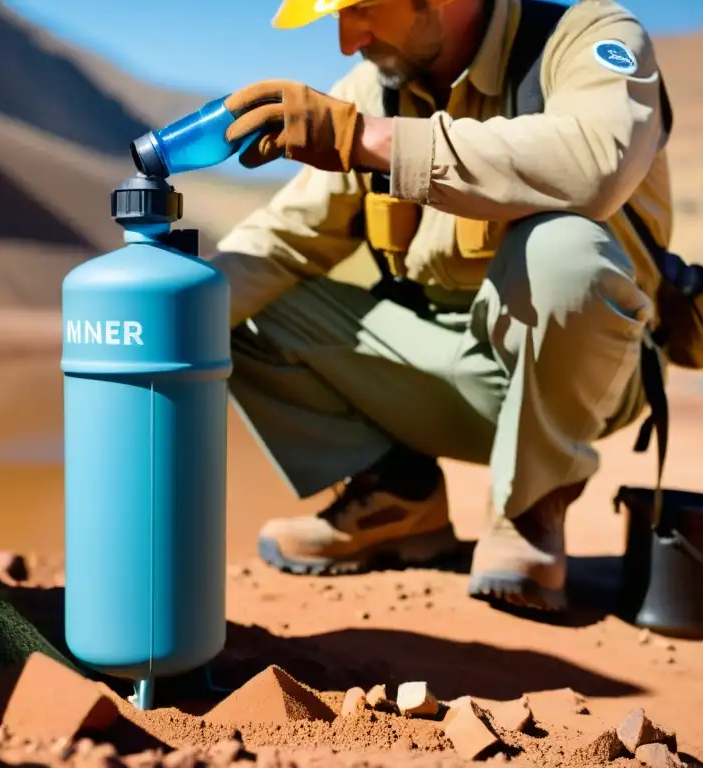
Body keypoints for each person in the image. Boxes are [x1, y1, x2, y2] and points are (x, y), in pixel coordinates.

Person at [208, 0, 674, 614]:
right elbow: (279, 243)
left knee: (566, 252)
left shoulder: (587, 38)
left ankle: (530, 510)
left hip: (582, 376)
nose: (348, 41)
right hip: (442, 361)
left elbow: (595, 164)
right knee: (225, 303)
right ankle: (400, 502)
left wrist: (365, 140)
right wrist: (154, 315)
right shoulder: (374, 89)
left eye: (364, 10)